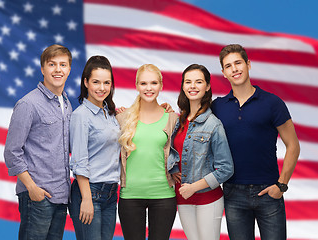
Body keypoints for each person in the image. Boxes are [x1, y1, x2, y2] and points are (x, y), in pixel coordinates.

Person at [211, 44, 300, 240]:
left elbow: (293, 145)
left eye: (238, 63)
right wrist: (166, 109)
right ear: (223, 73)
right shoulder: (217, 107)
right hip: (233, 194)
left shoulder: (273, 103)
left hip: (269, 192)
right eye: (228, 66)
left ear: (248, 64)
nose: (234, 69)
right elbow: (191, 117)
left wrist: (281, 185)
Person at [4, 44, 73, 240]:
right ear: (42, 69)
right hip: (37, 196)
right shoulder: (28, 104)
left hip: (61, 197)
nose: (58, 69)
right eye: (52, 64)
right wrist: (32, 188)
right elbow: (12, 151)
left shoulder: (66, 105)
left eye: (63, 64)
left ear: (69, 69)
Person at [167, 64, 234, 240]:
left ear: (208, 86)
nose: (193, 86)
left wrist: (194, 187)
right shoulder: (178, 121)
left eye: (198, 82)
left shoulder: (213, 124)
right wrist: (173, 171)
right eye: (188, 82)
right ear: (182, 86)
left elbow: (226, 168)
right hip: (183, 198)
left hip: (208, 199)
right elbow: (173, 152)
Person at [117, 64, 178, 240]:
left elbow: (181, 150)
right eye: (143, 83)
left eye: (153, 83)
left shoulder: (172, 118)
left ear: (161, 85)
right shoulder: (122, 118)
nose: (149, 88)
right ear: (136, 85)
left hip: (163, 196)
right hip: (130, 196)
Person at [68, 56, 120, 240]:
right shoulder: (81, 115)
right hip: (90, 192)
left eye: (107, 82)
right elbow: (79, 160)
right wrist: (87, 199)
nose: (102, 88)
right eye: (96, 82)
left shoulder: (111, 114)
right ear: (86, 82)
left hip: (111, 194)